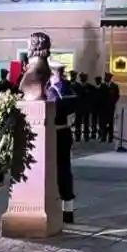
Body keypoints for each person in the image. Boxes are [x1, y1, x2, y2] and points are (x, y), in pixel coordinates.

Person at [48, 62, 79, 225]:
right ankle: (68, 209)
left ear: (53, 74)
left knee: (55, 171)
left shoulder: (52, 92)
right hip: (66, 132)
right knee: (65, 169)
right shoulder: (71, 90)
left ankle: (57, 206)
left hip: (54, 134)